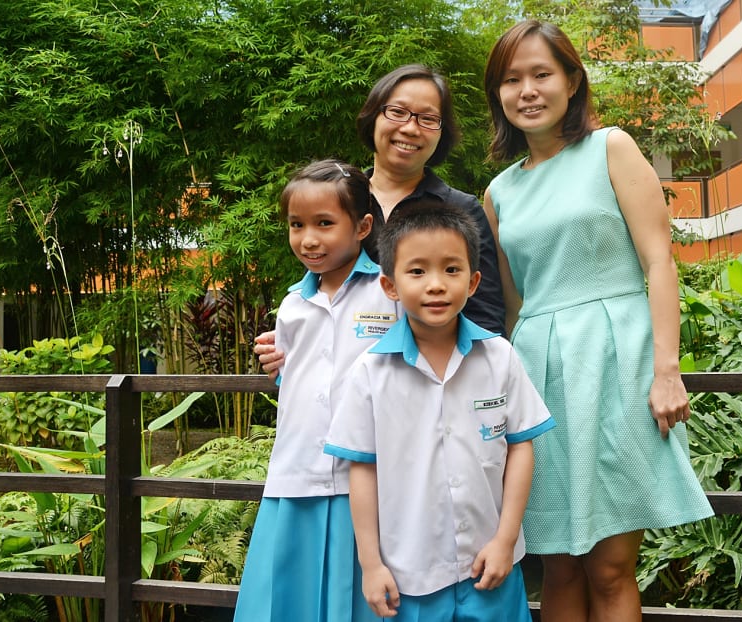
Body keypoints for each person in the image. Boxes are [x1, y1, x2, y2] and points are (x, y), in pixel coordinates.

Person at [481, 20, 714, 622]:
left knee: (611, 566)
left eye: (541, 74)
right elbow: (510, 305)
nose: (527, 90)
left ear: (572, 80)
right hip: (539, 372)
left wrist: (668, 371)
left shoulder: (610, 146)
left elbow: (659, 262)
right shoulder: (498, 191)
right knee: (557, 564)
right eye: (512, 80)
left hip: (619, 362)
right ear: (498, 95)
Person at [324, 203, 556, 621]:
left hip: (490, 566)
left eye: (452, 270)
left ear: (474, 281)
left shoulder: (499, 358)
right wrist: (371, 564)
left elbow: (521, 447)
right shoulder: (370, 372)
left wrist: (505, 541)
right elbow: (362, 468)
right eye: (417, 272)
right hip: (409, 576)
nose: (436, 285)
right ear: (390, 286)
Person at [255, 64, 505, 377]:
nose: (411, 128)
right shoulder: (336, 203)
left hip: (431, 387)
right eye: (397, 112)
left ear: (442, 134)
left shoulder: (460, 208)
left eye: (427, 118)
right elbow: (322, 294)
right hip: (343, 394)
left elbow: (485, 318)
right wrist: (287, 344)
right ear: (373, 116)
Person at [233, 159, 400, 622]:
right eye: (296, 225)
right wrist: (277, 367)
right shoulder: (292, 304)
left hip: (368, 478)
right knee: (289, 600)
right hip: (297, 472)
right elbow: (297, 377)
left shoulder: (390, 293)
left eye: (325, 223)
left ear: (363, 226)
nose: (308, 239)